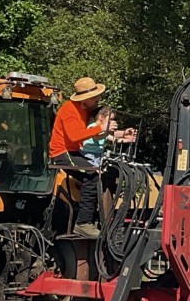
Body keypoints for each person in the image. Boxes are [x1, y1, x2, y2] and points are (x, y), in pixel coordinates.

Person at [49, 77, 135, 238]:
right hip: (62, 152)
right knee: (92, 174)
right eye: (95, 97)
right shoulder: (69, 111)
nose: (98, 99)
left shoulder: (85, 110)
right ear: (86, 99)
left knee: (105, 174)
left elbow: (97, 132)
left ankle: (101, 218)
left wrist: (121, 134)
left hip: (74, 151)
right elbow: (76, 136)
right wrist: (101, 127)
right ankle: (83, 223)